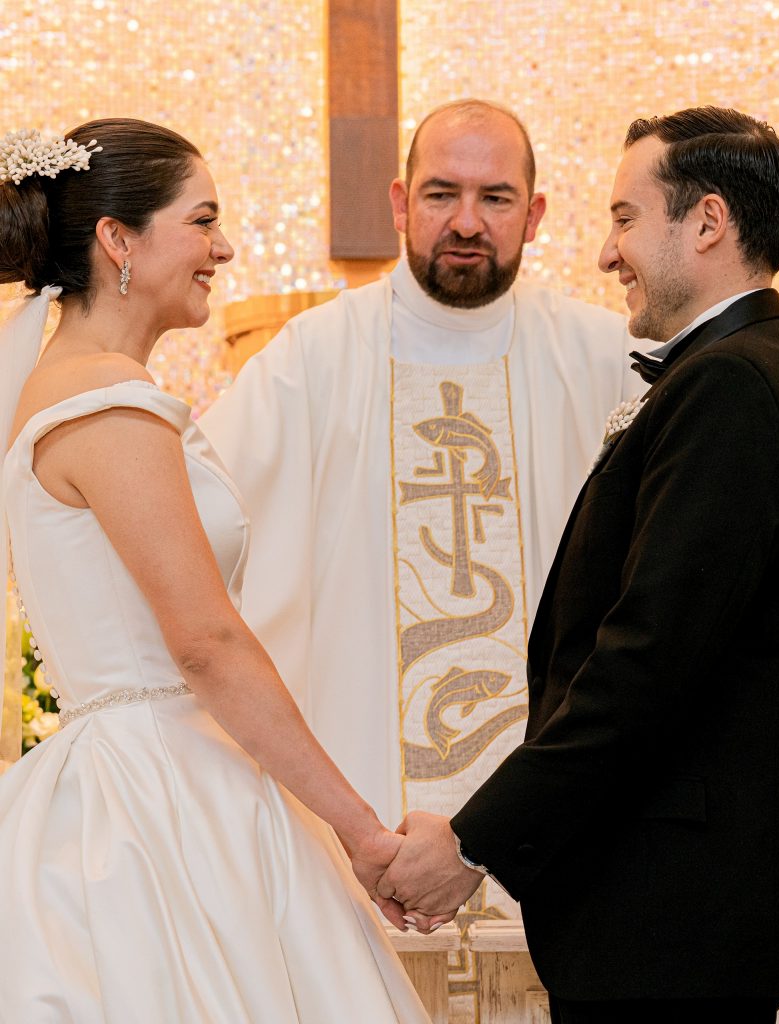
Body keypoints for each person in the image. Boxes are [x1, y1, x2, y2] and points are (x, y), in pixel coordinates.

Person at [377, 106, 779, 1023]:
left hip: (675, 914)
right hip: (675, 911)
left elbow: (646, 662)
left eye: (624, 217)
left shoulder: (732, 383)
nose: (606, 253)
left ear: (706, 222)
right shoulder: (739, 370)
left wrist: (471, 844)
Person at [0, 119, 430, 1022]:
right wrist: (359, 832)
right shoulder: (105, 403)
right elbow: (205, 643)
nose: (223, 247)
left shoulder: (69, 389)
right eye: (202, 220)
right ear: (118, 239)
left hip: (144, 768)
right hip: (160, 791)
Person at [201, 98, 641, 844]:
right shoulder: (311, 358)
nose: (466, 223)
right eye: (441, 194)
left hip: (559, 810)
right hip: (358, 794)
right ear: (401, 204)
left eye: (495, 198)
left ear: (534, 215)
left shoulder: (608, 359)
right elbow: (195, 525)